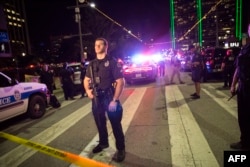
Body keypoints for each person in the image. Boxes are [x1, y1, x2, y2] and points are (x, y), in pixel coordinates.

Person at [83, 38, 126, 162]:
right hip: (97, 98)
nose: (96, 46)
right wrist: (88, 91)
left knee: (115, 124)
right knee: (100, 123)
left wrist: (115, 100)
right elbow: (86, 80)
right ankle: (103, 143)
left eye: (100, 44)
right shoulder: (91, 64)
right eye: (95, 44)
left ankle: (121, 149)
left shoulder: (112, 62)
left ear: (106, 46)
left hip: (109, 97)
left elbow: (120, 82)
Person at [230, 23, 250, 150]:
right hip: (243, 87)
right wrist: (233, 85)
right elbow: (238, 68)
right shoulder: (245, 48)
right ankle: (245, 142)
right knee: (243, 116)